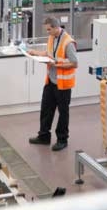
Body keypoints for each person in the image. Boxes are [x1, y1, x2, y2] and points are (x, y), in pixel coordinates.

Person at [28, 17, 78, 151]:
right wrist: (35, 53)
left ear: (56, 27)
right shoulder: (52, 38)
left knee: (63, 113)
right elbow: (49, 53)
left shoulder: (68, 43)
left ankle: (62, 139)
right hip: (51, 81)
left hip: (63, 84)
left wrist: (56, 64)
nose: (48, 32)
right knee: (46, 109)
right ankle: (44, 136)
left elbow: (74, 63)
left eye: (49, 29)